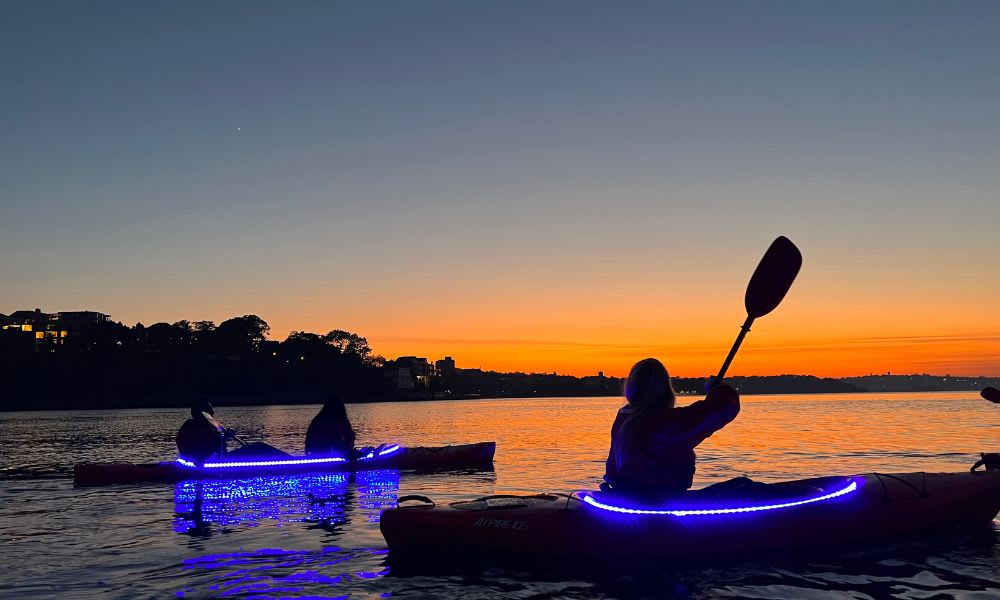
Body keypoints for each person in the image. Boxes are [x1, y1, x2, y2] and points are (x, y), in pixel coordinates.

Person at [603, 358, 742, 499]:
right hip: (660, 499)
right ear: (665, 390)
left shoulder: (623, 419)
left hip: (625, 494)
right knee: (744, 486)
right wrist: (718, 389)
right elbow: (720, 409)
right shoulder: (662, 423)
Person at [176, 398, 288, 464]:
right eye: (209, 410)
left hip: (217, 459)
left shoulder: (207, 427)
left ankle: (286, 459)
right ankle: (290, 462)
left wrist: (224, 437)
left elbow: (217, 447)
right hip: (207, 462)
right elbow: (206, 450)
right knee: (259, 447)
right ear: (201, 412)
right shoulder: (191, 427)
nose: (213, 413)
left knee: (257, 447)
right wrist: (224, 439)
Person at [176, 398, 229, 465]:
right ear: (199, 412)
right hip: (198, 463)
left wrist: (224, 438)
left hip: (213, 460)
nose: (212, 412)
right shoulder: (190, 426)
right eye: (208, 409)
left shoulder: (211, 427)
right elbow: (207, 448)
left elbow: (219, 450)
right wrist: (223, 439)